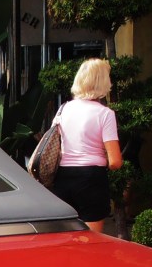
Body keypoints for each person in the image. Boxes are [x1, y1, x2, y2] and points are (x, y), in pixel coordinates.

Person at [50, 57, 123, 234]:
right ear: (104, 83)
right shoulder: (105, 114)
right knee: (91, 240)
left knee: (65, 238)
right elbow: (115, 162)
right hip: (91, 179)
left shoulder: (63, 109)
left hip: (62, 177)